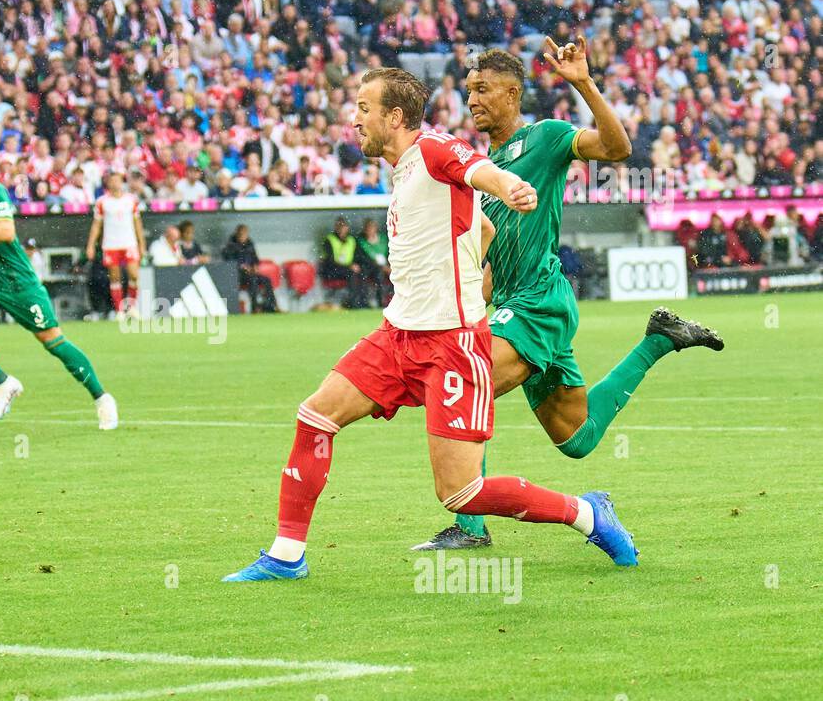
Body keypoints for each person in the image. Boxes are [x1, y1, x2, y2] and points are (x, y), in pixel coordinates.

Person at [223, 67, 639, 583]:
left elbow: (479, 169)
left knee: (460, 493)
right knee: (316, 416)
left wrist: (511, 186)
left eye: (363, 108)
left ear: (395, 116)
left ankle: (587, 513)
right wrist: (470, 267)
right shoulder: (402, 169)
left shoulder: (435, 149)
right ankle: (286, 555)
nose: (354, 120)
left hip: (450, 346)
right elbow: (482, 227)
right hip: (397, 335)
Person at [414, 40, 724, 552]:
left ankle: (470, 529)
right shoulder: (485, 166)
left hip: (540, 302)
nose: (472, 100)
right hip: (519, 304)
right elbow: (497, 254)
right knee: (576, 438)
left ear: (513, 93)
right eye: (469, 90)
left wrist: (582, 82)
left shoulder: (548, 137)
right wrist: (471, 299)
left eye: (483, 90)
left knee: (466, 383)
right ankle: (659, 341)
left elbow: (618, 148)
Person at [0, 132, 118, 429]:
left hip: (16, 281)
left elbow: (6, 232)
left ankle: (102, 398)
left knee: (54, 342)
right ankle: (4, 383)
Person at [85, 173, 145, 316]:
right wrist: (91, 245)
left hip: (129, 242)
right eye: (112, 181)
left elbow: (138, 223)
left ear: (121, 182)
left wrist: (142, 243)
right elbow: (96, 225)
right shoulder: (102, 202)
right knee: (115, 277)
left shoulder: (131, 200)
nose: (115, 183)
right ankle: (119, 310)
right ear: (108, 183)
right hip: (111, 244)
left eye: (117, 180)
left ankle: (131, 307)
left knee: (134, 275)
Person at [221, 224, 277, 313]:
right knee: (253, 280)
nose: (243, 236)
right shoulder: (230, 245)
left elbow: (255, 258)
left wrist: (255, 266)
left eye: (245, 234)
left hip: (251, 273)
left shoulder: (250, 244)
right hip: (237, 276)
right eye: (241, 234)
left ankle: (272, 306)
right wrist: (241, 267)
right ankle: (255, 308)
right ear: (237, 234)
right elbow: (228, 262)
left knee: (266, 280)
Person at [318, 216, 367, 308]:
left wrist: (357, 265)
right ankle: (353, 303)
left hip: (347, 268)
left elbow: (359, 256)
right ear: (335, 227)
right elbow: (330, 261)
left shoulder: (351, 240)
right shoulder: (329, 240)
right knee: (351, 273)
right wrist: (349, 266)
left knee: (362, 272)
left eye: (343, 226)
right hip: (332, 270)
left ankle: (363, 301)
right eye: (339, 226)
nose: (341, 229)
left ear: (347, 228)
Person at [354, 217, 392, 308]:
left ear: (375, 228)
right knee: (365, 276)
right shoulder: (361, 241)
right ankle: (364, 303)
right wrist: (378, 265)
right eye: (368, 228)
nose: (370, 230)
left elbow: (391, 253)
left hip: (385, 266)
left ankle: (384, 302)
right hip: (369, 267)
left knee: (392, 275)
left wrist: (389, 265)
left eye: (372, 228)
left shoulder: (383, 239)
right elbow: (361, 257)